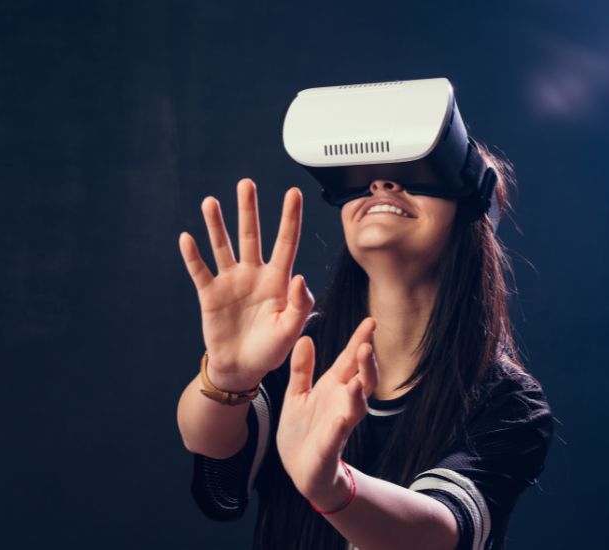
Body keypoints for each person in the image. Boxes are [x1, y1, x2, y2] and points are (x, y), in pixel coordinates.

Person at [175, 141, 556, 550]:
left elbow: (440, 533)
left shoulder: (508, 402)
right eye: (364, 178)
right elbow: (215, 462)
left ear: (475, 209)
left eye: (423, 171)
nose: (381, 183)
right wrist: (227, 376)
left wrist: (333, 486)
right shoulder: (294, 348)